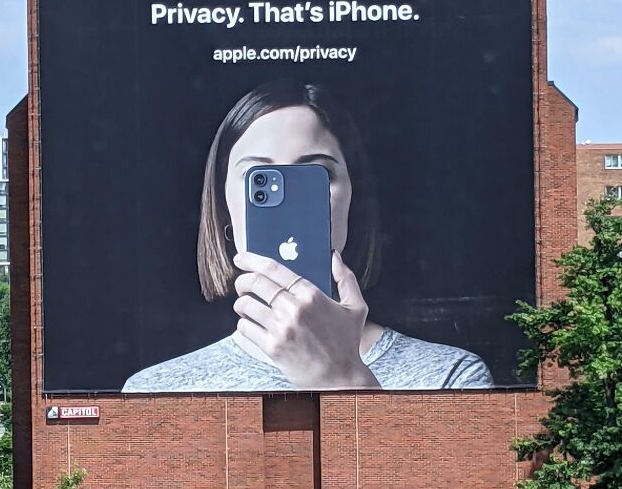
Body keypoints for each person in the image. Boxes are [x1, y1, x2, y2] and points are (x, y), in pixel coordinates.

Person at [123, 80, 493, 392]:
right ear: (223, 209)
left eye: (315, 174)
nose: (293, 202)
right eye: (259, 180)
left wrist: (343, 377)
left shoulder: (450, 378)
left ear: (353, 197)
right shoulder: (156, 390)